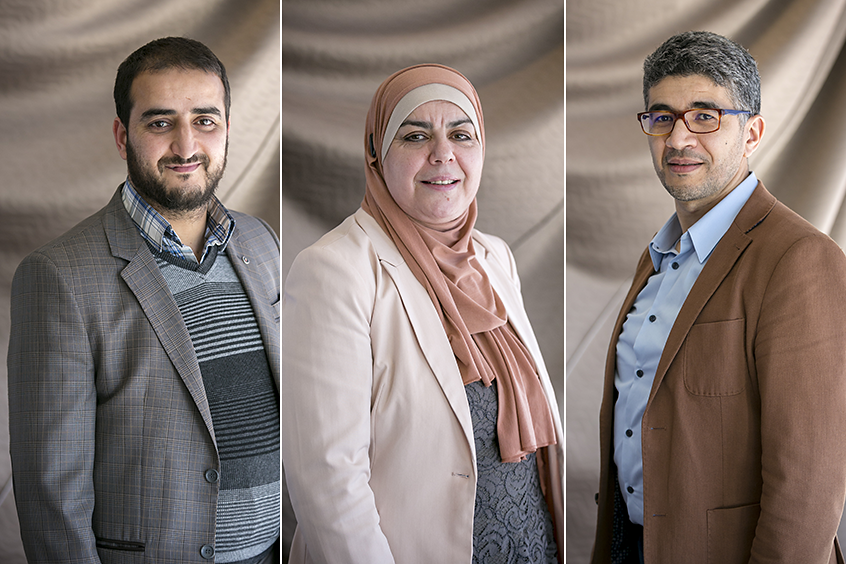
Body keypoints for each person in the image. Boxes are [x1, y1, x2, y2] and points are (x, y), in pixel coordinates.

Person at [8, 37, 281, 563]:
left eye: (206, 121)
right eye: (160, 123)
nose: (186, 146)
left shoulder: (259, 241)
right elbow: (50, 493)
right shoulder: (57, 276)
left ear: (226, 127)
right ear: (122, 134)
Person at [281, 64, 564, 563]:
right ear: (376, 152)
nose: (443, 153)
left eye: (461, 134)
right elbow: (327, 480)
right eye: (416, 135)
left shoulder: (494, 257)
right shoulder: (334, 270)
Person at [591, 30, 846, 564]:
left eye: (705, 116)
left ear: (751, 133)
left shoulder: (799, 259)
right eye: (662, 117)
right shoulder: (657, 258)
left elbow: (809, 484)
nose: (679, 140)